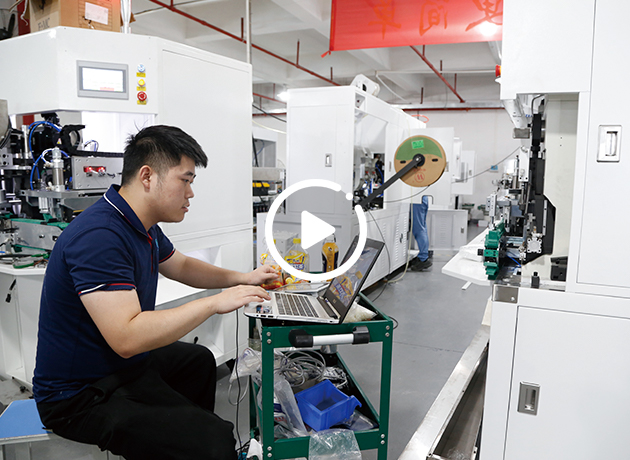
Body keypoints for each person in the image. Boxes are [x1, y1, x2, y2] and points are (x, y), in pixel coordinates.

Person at [32, 125, 278, 460]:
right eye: (185, 180)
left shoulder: (141, 224)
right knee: (214, 442)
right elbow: (127, 337)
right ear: (148, 176)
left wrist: (243, 278)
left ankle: (173, 442)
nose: (190, 193)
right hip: (79, 393)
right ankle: (192, 442)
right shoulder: (100, 235)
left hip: (120, 365)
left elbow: (181, 266)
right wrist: (214, 304)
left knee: (198, 361)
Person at [409, 195, 433, 271]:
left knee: (419, 229)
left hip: (417, 200)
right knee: (422, 228)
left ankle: (423, 259)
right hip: (422, 199)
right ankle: (423, 255)